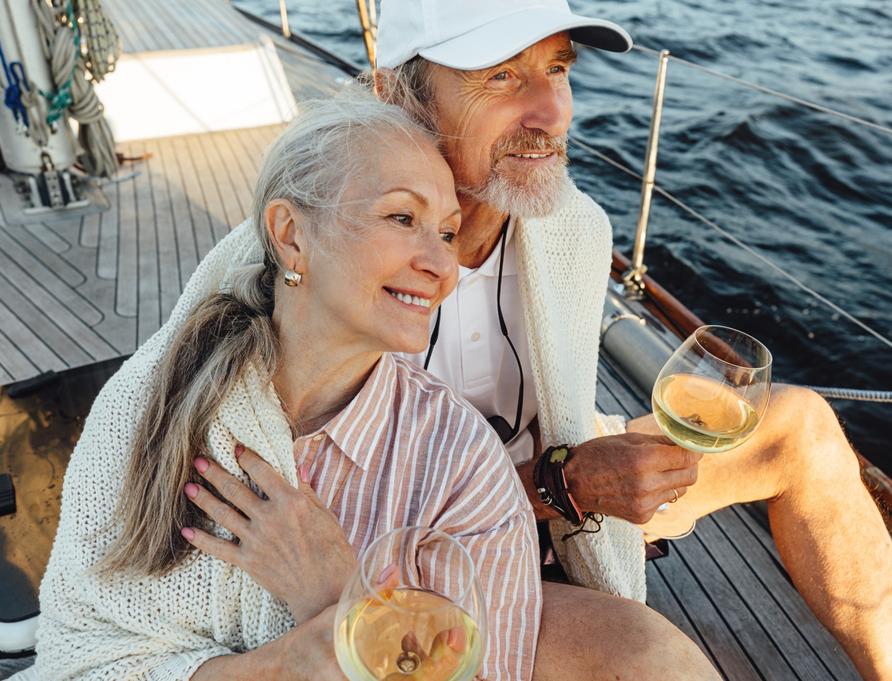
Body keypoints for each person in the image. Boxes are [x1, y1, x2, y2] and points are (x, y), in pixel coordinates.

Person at [370, 0, 892, 679]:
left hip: (557, 486)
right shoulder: (335, 256)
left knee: (799, 426)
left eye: (558, 69)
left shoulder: (572, 228)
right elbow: (354, 518)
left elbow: (561, 416)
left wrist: (580, 471)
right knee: (655, 660)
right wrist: (565, 483)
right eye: (500, 76)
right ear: (397, 95)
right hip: (431, 558)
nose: (552, 112)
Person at [28, 96, 543, 680]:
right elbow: (78, 654)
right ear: (291, 234)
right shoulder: (152, 398)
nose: (442, 265)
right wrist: (278, 667)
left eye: (448, 233)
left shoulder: (461, 463)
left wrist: (340, 594)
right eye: (402, 218)